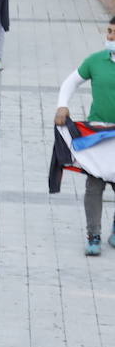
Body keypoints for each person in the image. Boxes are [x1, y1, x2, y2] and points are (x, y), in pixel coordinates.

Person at [54, 17, 115, 255]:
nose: (109, 37)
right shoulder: (96, 61)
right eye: (109, 32)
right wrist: (62, 105)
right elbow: (70, 82)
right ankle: (94, 235)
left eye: (114, 34)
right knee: (94, 185)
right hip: (98, 135)